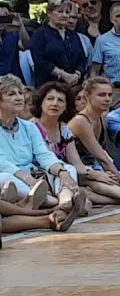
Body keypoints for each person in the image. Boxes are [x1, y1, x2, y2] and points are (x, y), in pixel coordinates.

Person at [0, 74, 89, 216]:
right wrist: (28, 180)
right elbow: (2, 163)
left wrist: (62, 172)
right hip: (15, 176)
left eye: (20, 93)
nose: (18, 97)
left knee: (67, 168)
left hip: (34, 175)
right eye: (11, 94)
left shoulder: (28, 127)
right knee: (3, 179)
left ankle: (64, 203)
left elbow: (44, 155)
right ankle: (59, 204)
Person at [29, 0, 90, 87]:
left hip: (74, 85)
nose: (65, 15)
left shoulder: (72, 34)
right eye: (60, 11)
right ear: (49, 13)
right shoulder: (40, 33)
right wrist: (63, 75)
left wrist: (76, 75)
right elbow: (39, 60)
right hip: (48, 85)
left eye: (67, 12)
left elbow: (82, 57)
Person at [90, 2, 120, 94]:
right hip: (114, 91)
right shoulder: (102, 40)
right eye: (118, 16)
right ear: (111, 19)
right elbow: (95, 70)